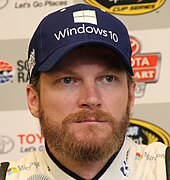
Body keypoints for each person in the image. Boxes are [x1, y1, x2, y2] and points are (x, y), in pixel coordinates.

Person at [0, 3, 169, 180]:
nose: (91, 98)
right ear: (34, 100)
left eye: (108, 79)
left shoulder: (162, 170)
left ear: (131, 95)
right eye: (68, 80)